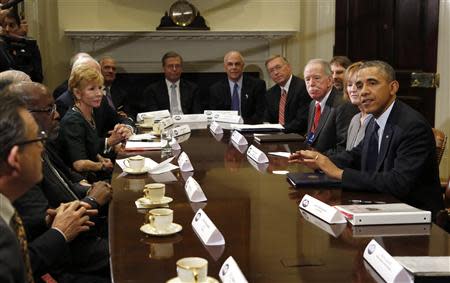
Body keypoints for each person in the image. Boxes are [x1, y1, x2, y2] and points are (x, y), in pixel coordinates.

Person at [289, 60, 444, 217]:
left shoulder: (412, 126)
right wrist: (319, 160)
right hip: (381, 205)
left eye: (372, 83)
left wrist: (339, 173)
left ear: (393, 87)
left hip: (415, 215)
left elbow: (398, 182)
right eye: (359, 85)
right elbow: (356, 155)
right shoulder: (375, 119)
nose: (363, 92)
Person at [57, 64, 123, 181]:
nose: (98, 93)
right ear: (77, 93)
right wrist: (102, 165)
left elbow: (87, 147)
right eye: (92, 89)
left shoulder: (89, 113)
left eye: (100, 88)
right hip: (83, 181)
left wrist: (100, 158)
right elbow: (79, 163)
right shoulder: (73, 121)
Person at [303, 58, 356, 155]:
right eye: (307, 79)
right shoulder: (313, 104)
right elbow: (312, 138)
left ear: (329, 81)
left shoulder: (343, 105)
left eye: (317, 78)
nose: (311, 83)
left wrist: (316, 158)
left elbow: (343, 148)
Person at [208, 51, 266, 124]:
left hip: (249, 128)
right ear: (225, 67)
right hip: (225, 129)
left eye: (237, 64)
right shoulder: (215, 89)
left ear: (242, 66)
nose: (234, 67)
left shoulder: (258, 85)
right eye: (230, 64)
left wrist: (242, 125)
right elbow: (214, 115)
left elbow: (260, 113)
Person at [264, 55, 311, 134]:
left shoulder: (303, 87)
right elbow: (267, 118)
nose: (276, 72)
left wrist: (279, 130)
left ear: (289, 67)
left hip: (298, 137)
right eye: (271, 71)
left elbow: (302, 121)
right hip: (274, 137)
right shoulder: (270, 93)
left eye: (278, 67)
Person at [1, 9, 43, 83]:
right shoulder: (2, 47)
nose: (7, 29)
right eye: (4, 26)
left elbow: (39, 76)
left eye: (11, 25)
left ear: (19, 27)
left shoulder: (30, 45)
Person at [344, 61, 372, 150]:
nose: (352, 89)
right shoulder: (355, 119)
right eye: (349, 85)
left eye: (357, 85)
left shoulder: (376, 119)